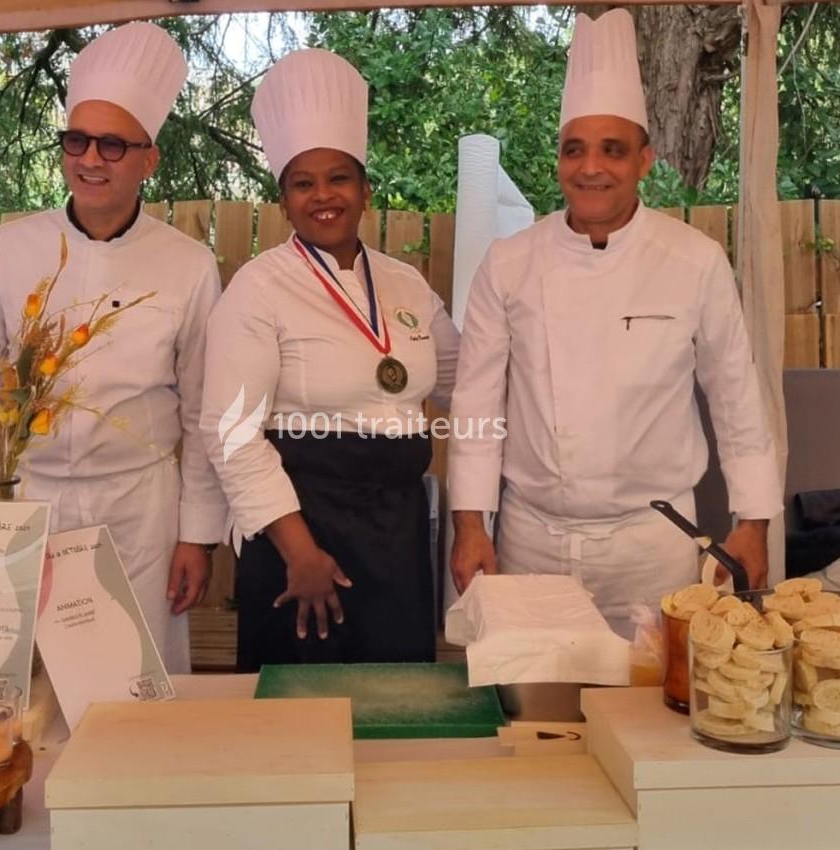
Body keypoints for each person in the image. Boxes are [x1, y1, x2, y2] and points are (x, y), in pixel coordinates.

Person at [447, 9, 781, 638]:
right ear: (558, 160)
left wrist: (753, 522)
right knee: (530, 693)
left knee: (653, 692)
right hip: (531, 540)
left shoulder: (694, 260)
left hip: (654, 544)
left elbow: (737, 396)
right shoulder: (510, 262)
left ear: (645, 159)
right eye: (574, 149)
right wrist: (470, 525)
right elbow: (477, 404)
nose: (591, 167)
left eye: (612, 149)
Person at [200, 49, 460, 672]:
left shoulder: (405, 285)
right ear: (284, 201)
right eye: (303, 183)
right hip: (300, 535)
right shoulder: (258, 288)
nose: (323, 195)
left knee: (397, 702)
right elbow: (231, 435)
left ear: (365, 190)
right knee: (299, 709)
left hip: (396, 533)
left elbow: (464, 383)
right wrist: (300, 553)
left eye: (339, 178)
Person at [0, 22, 226, 672]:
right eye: (78, 140)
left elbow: (203, 412)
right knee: (14, 678)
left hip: (138, 510)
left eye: (113, 145)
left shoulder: (189, 266)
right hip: (24, 500)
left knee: (133, 681)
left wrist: (198, 535)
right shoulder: (7, 251)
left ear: (150, 159)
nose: (90, 159)